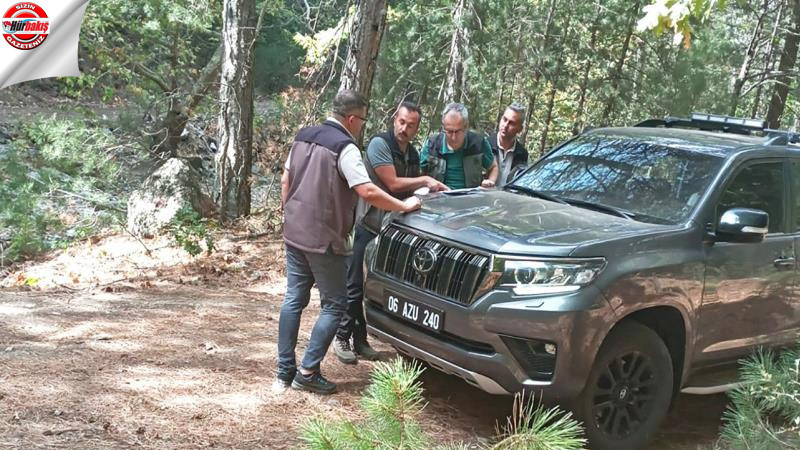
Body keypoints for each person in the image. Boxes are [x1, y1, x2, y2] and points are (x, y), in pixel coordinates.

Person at [277, 90, 421, 395]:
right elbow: (367, 190)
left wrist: (287, 211)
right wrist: (404, 206)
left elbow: (285, 179)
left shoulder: (303, 135)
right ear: (352, 118)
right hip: (325, 239)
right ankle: (308, 371)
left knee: (293, 299)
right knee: (335, 304)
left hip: (294, 232)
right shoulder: (346, 148)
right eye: (363, 120)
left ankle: (284, 370)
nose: (362, 126)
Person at [332, 102, 449, 365]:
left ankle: (360, 340)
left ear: (417, 127)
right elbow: (392, 182)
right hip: (366, 225)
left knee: (371, 286)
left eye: (411, 125)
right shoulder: (379, 145)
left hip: (392, 232)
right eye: (401, 122)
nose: (404, 128)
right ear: (394, 119)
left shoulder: (412, 154)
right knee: (353, 285)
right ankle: (341, 336)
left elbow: (407, 192)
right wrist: (426, 181)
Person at [420, 103, 499, 189]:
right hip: (439, 197)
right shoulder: (432, 144)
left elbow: (493, 167)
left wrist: (490, 182)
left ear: (466, 127)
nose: (453, 137)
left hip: (470, 198)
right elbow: (419, 173)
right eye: (449, 131)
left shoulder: (478, 143)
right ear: (443, 127)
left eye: (457, 131)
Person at [489, 103, 529, 187]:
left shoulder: (521, 154)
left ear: (520, 129)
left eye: (512, 123)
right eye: (504, 119)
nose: (506, 125)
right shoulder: (486, 145)